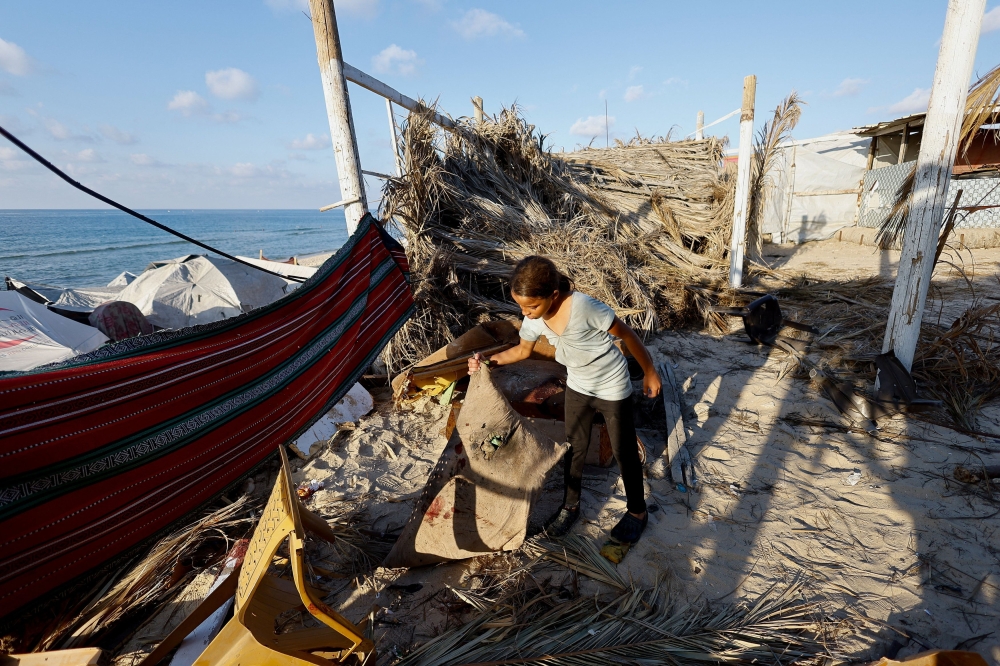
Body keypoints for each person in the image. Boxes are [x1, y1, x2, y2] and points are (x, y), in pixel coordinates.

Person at [468, 255, 661, 544]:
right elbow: (521, 351)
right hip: (579, 385)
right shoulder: (533, 318)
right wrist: (488, 361)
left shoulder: (583, 307)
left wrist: (649, 372)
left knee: (624, 451)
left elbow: (628, 335)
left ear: (553, 295)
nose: (526, 312)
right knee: (574, 447)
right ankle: (569, 506)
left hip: (611, 385)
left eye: (531, 305)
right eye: (521, 306)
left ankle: (637, 512)